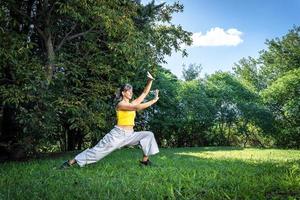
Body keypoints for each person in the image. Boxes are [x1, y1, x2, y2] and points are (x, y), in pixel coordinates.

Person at [60, 72, 159, 169]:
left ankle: (145, 161)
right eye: (128, 91)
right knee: (96, 153)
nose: (131, 93)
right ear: (123, 93)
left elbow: (145, 93)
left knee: (148, 135)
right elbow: (137, 108)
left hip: (130, 135)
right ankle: (70, 162)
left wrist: (150, 80)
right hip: (117, 135)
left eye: (131, 91)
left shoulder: (132, 103)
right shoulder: (121, 104)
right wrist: (153, 101)